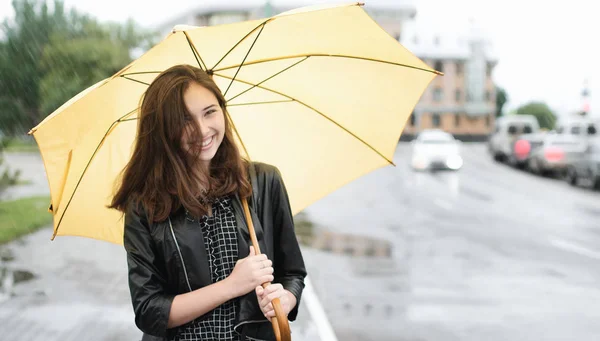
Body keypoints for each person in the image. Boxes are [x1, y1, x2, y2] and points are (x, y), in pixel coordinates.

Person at [109, 64, 307, 341]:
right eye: (184, 120)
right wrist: (232, 285)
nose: (202, 130)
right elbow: (149, 310)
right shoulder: (146, 203)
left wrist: (284, 299)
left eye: (209, 112)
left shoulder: (263, 181)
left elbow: (293, 273)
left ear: (223, 109)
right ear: (163, 131)